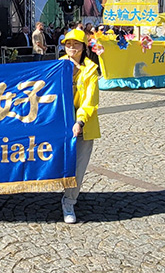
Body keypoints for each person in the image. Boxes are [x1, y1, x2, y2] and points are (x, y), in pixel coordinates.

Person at [58, 27, 100, 224]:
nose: (72, 47)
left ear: (83, 47)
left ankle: (69, 202)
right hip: (59, 124)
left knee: (78, 167)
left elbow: (90, 101)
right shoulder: (58, 65)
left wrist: (80, 121)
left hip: (82, 126)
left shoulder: (90, 69)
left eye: (76, 44)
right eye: (68, 44)